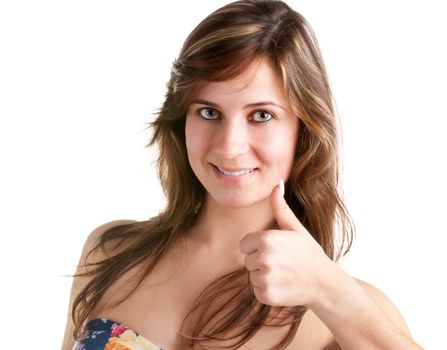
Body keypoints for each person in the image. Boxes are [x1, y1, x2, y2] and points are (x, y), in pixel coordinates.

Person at [62, 1, 423, 349]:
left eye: (261, 115)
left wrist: (328, 290)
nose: (230, 146)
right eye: (208, 112)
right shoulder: (110, 253)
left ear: (303, 131)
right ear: (180, 121)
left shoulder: (344, 313)